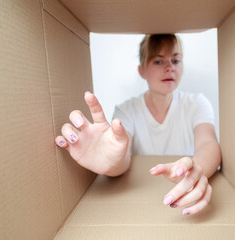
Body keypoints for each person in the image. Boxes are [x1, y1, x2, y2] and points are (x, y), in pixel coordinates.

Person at [55, 34, 221, 216]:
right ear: (142, 70)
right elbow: (121, 153)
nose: (169, 67)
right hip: (142, 202)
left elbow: (208, 143)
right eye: (158, 61)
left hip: (180, 196)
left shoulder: (197, 103)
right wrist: (110, 162)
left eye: (175, 60)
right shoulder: (126, 111)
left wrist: (196, 169)